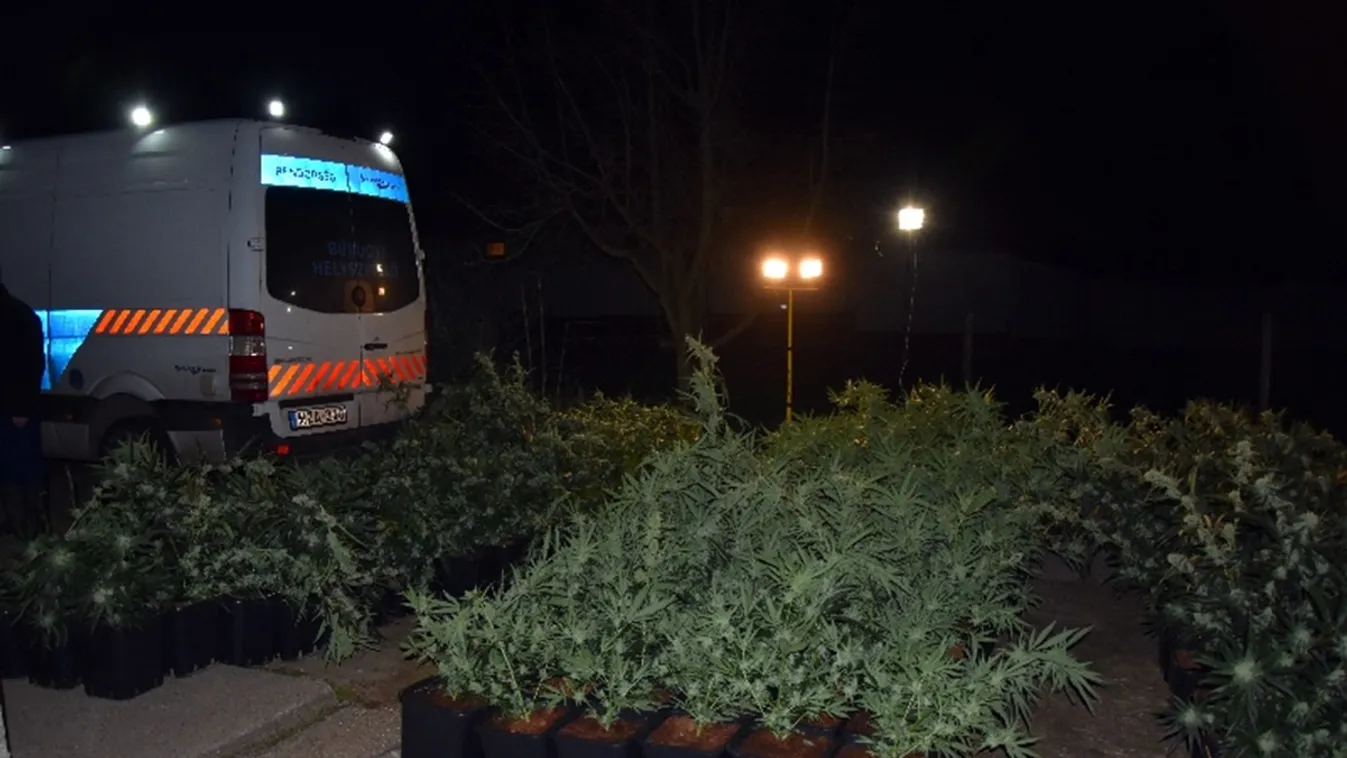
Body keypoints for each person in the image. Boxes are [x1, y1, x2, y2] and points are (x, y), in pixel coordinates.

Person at [0, 265, 46, 538]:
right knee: (13, 466)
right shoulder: (19, 312)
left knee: (22, 466)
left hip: (15, 408)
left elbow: (30, 364)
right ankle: (19, 520)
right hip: (13, 405)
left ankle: (29, 522)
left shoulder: (17, 316)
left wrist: (22, 407)